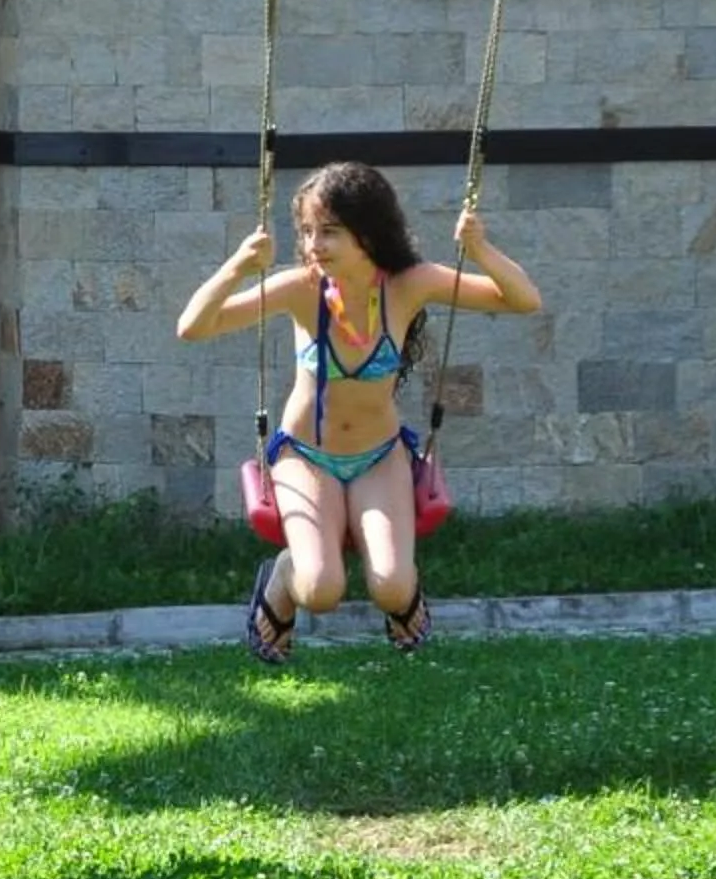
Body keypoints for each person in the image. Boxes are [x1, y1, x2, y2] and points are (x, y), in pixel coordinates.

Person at [177, 161, 542, 662]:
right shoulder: (300, 290)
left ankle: (398, 600)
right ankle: (282, 575)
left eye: (329, 232)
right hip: (305, 457)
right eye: (306, 231)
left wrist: (480, 249)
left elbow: (523, 300)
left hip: (379, 456)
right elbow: (193, 327)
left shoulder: (409, 285)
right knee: (320, 591)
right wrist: (237, 266)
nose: (313, 245)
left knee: (391, 587)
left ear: (367, 233)